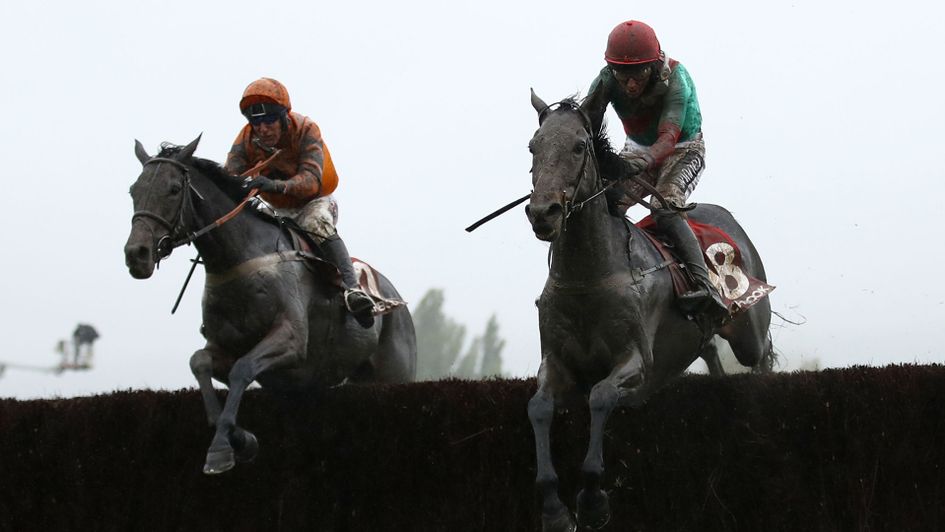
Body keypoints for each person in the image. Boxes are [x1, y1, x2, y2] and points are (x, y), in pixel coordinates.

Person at [587, 20, 727, 318]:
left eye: (638, 72)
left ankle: (706, 287)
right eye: (622, 73)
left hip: (682, 149)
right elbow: (587, 125)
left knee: (663, 207)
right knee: (605, 205)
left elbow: (667, 139)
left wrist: (639, 163)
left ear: (653, 64)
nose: (630, 83)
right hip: (637, 148)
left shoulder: (677, 78)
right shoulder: (606, 79)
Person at [224, 77, 375, 327]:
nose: (262, 128)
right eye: (255, 121)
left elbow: (311, 180)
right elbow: (230, 176)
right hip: (275, 208)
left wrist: (273, 185)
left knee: (315, 223)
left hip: (313, 202)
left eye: (269, 120)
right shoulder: (246, 139)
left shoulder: (306, 129)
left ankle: (352, 288)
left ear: (284, 116)